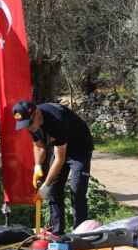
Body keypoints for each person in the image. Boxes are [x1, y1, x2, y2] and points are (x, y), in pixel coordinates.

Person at [12, 100, 94, 235]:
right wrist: (37, 166)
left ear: (37, 113)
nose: (29, 128)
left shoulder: (57, 119)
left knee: (77, 189)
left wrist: (46, 184)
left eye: (30, 124)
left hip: (80, 149)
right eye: (25, 125)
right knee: (54, 191)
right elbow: (38, 146)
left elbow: (60, 159)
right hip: (60, 149)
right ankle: (57, 232)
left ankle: (79, 232)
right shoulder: (31, 122)